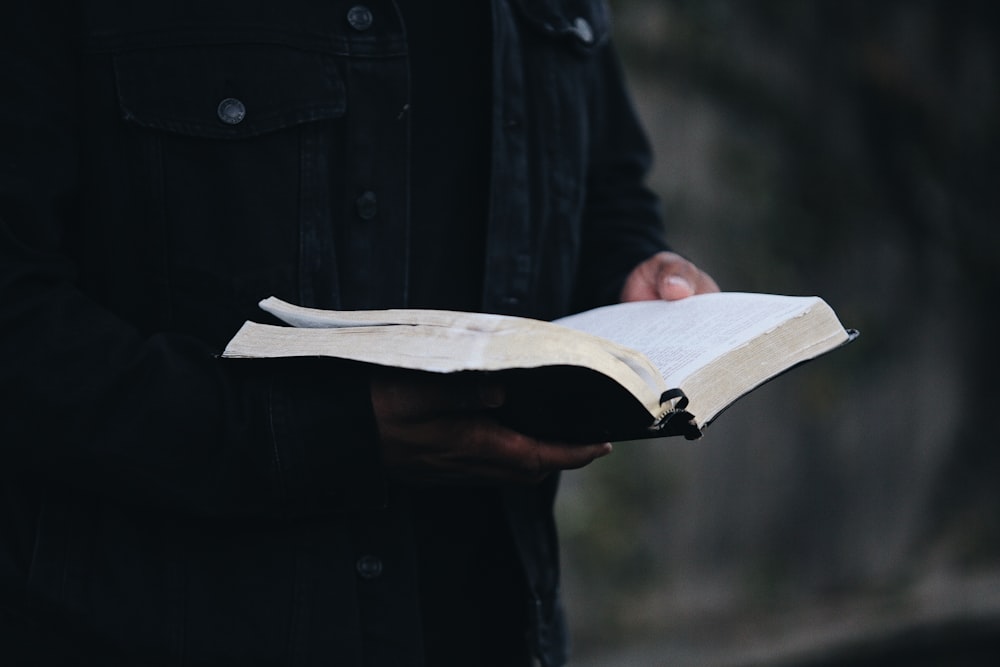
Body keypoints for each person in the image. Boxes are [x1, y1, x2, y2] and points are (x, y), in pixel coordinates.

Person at [0, 1, 718, 665]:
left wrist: (639, 278)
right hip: (159, 627)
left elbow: (605, 183)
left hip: (494, 627)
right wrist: (326, 431)